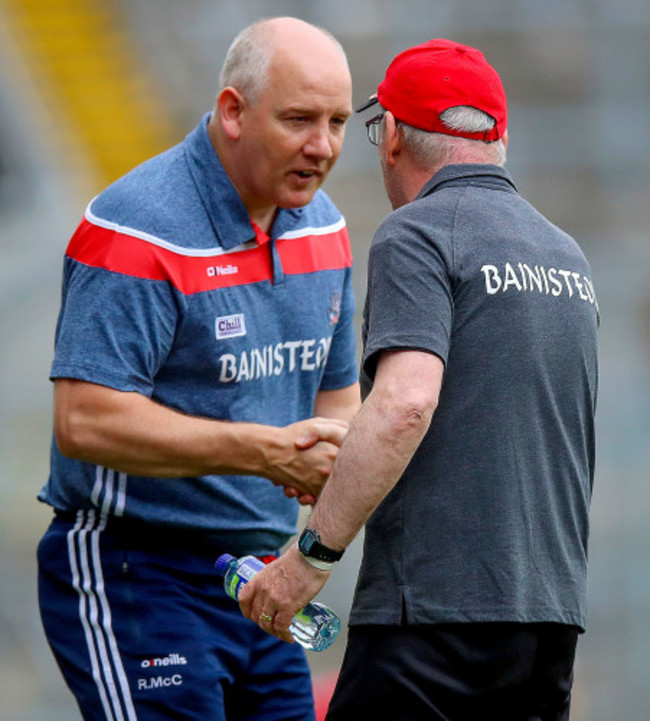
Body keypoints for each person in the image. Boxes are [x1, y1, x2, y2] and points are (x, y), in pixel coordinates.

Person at [239, 38, 599, 721]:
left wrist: (311, 555)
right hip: (549, 624)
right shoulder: (566, 256)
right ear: (500, 137)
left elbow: (406, 403)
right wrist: (344, 456)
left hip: (431, 622)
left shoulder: (419, 232)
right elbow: (483, 419)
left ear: (393, 134)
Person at [37, 16, 360, 721]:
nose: (323, 146)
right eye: (300, 119)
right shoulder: (136, 227)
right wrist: (266, 450)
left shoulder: (327, 229)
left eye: (338, 121)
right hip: (134, 570)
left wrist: (328, 452)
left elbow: (339, 395)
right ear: (233, 113)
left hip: (258, 578)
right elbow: (84, 419)